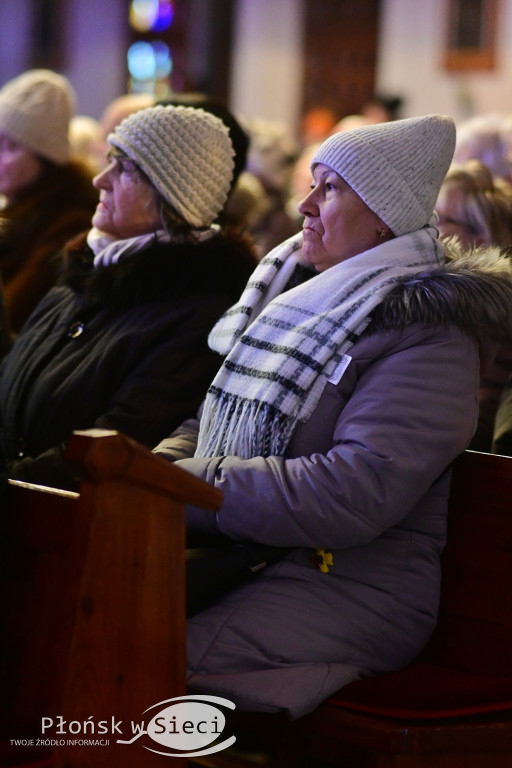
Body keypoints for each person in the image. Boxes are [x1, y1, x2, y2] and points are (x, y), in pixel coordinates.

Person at [154, 115, 512, 718]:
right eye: (311, 184)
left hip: (347, 586)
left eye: (331, 188)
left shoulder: (430, 332)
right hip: (252, 555)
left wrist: (184, 487)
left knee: (137, 649)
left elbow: (355, 491)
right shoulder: (299, 301)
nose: (303, 205)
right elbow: (209, 418)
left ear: (384, 216)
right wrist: (149, 475)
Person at [0, 105, 258, 489]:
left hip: (71, 532)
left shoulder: (199, 316)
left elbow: (114, 448)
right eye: (109, 162)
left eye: (124, 169)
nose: (100, 180)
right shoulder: (87, 270)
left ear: (172, 197)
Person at [0, 69, 98, 334]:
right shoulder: (16, 211)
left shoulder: (68, 224)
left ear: (45, 156)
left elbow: (11, 313)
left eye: (11, 147)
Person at [436, 160, 512, 451]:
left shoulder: (490, 322)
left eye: (442, 218)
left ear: (479, 242)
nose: (428, 226)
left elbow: (473, 432)